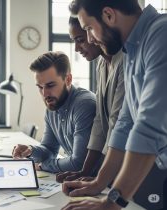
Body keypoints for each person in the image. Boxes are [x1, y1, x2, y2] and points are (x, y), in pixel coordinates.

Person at [61, 0, 167, 210]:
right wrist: (99, 183)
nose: (90, 38)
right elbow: (125, 122)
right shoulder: (132, 49)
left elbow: (149, 127)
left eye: (89, 28)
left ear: (109, 15)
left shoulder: (161, 35)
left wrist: (111, 202)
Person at [56, 17, 124, 182]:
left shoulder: (124, 61)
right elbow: (100, 121)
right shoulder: (101, 64)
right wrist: (84, 171)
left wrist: (100, 180)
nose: (77, 48)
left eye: (80, 40)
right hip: (113, 160)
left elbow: (117, 124)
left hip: (132, 157)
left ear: (95, 32)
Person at [12, 51, 96, 173]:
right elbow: (49, 150)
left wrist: (42, 166)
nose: (45, 94)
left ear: (68, 79)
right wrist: (31, 151)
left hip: (102, 184)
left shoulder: (84, 104)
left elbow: (79, 163)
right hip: (80, 179)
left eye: (50, 85)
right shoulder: (52, 107)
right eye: (40, 87)